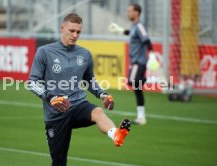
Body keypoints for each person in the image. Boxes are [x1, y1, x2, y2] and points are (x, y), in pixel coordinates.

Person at [28, 13, 131, 166]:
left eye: (78, 32)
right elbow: (32, 82)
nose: (75, 35)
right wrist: (50, 98)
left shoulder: (85, 54)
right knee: (59, 162)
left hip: (77, 105)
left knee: (98, 112)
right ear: (62, 28)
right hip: (56, 114)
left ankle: (116, 134)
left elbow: (89, 80)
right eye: (71, 30)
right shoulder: (44, 52)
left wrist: (103, 94)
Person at [126, 4, 154, 125]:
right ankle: (141, 117)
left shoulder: (140, 26)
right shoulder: (133, 27)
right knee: (136, 87)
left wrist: (152, 54)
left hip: (139, 61)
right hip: (135, 61)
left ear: (137, 12)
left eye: (130, 11)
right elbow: (132, 34)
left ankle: (145, 79)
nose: (128, 13)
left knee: (132, 81)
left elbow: (146, 39)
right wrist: (122, 31)